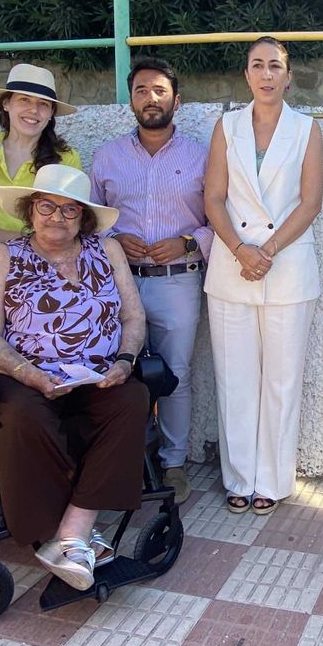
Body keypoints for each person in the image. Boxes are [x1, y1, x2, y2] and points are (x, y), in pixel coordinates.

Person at [0, 165, 149, 590]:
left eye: (70, 210)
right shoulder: (6, 256)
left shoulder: (107, 251)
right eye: (47, 206)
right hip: (24, 374)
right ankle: (59, 534)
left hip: (97, 375)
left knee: (133, 399)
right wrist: (30, 375)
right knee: (23, 417)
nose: (57, 217)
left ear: (84, 218)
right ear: (31, 211)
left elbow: (133, 315)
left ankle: (73, 531)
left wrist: (124, 361)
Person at [203, 37, 323, 514]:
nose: (267, 73)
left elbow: (310, 202)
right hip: (233, 267)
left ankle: (272, 480)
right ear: (247, 75)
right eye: (258, 65)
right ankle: (238, 477)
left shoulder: (307, 128)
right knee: (234, 379)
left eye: (275, 65)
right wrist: (240, 249)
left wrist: (266, 250)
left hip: (288, 266)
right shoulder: (227, 127)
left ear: (288, 75)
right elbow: (214, 197)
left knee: (281, 380)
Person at [92, 56, 211, 503]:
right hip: (118, 283)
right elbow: (86, 219)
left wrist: (187, 242)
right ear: (132, 101)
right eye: (142, 90)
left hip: (177, 281)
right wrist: (115, 239)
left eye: (159, 90)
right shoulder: (108, 157)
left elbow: (222, 217)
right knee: (117, 370)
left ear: (176, 100)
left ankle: (173, 463)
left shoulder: (201, 156)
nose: (151, 98)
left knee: (175, 374)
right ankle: (122, 458)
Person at [0, 63, 83, 269]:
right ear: (6, 104)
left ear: (51, 114)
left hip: (39, 273)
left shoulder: (66, 159)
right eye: (24, 100)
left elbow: (65, 230)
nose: (34, 110)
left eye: (43, 104)